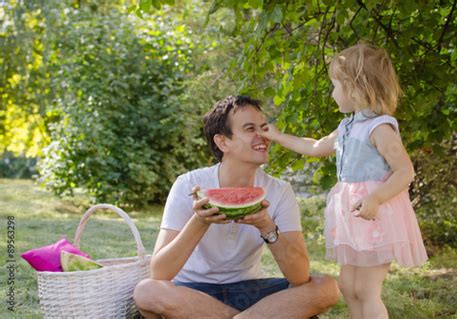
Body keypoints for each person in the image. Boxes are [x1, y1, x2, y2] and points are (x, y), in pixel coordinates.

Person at [260, 43, 428, 319]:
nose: (332, 93)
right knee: (348, 287)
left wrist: (375, 197)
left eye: (335, 85)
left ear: (355, 87)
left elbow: (405, 171)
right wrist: (279, 137)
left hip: (374, 218)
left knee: (367, 290)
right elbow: (315, 147)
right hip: (352, 220)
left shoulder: (380, 128)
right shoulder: (348, 126)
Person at [133, 95, 340, 318]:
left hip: (249, 290)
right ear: (223, 142)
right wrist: (200, 221)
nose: (263, 135)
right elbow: (160, 272)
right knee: (147, 291)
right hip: (193, 291)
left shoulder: (280, 191)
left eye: (264, 127)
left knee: (326, 288)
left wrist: (267, 226)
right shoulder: (189, 184)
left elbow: (299, 277)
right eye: (250, 129)